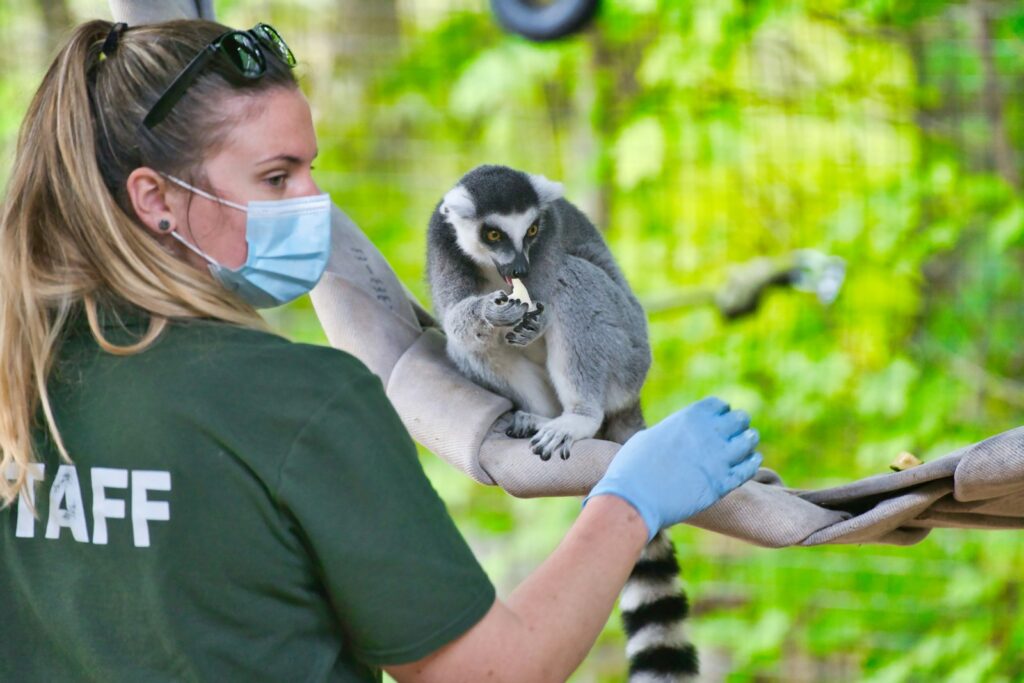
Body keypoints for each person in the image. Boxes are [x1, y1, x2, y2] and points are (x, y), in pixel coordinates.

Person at [0, 19, 762, 682]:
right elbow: (491, 669)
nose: (313, 205)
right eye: (276, 177)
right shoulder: (294, 398)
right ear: (155, 199)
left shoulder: (20, 368)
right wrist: (629, 502)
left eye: (310, 169)